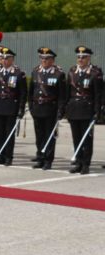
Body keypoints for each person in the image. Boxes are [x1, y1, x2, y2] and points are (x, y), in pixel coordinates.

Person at [60, 46, 102, 174]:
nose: (80, 59)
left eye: (83, 57)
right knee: (76, 138)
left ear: (88, 58)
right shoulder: (72, 71)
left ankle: (85, 164)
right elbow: (67, 92)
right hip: (73, 109)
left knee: (87, 139)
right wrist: (64, 108)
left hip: (87, 110)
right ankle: (78, 162)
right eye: (78, 57)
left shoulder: (95, 73)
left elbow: (98, 95)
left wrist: (97, 111)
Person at [28, 47, 65, 170]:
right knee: (39, 136)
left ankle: (48, 160)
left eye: (47, 58)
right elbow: (31, 92)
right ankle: (40, 158)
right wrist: (31, 107)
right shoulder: (35, 72)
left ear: (52, 60)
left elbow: (61, 95)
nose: (43, 60)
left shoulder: (58, 74)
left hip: (50, 109)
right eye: (42, 58)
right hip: (37, 108)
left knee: (49, 136)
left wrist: (60, 110)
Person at [0, 47, 27, 166]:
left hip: (11, 107)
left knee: (9, 134)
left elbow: (23, 93)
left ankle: (8, 157)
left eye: (7, 58)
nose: (5, 61)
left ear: (12, 59)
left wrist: (21, 108)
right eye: (3, 58)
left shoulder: (18, 73)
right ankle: (0, 155)